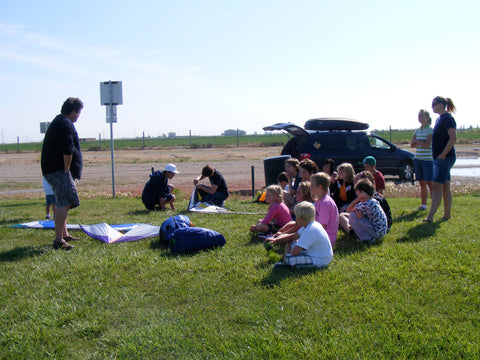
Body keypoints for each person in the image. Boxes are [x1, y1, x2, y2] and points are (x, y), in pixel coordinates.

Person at [41, 97, 84, 250]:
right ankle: (58, 240)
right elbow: (68, 149)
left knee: (62, 201)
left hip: (52, 169)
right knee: (65, 202)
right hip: (58, 170)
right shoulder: (65, 123)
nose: (79, 115)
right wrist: (66, 170)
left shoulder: (59, 121)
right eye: (79, 112)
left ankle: (64, 234)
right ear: (73, 111)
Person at [424, 96, 457, 223]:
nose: (432, 106)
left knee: (437, 187)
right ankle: (447, 215)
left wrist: (443, 154)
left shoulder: (448, 118)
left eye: (434, 104)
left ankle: (430, 216)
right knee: (445, 187)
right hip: (441, 158)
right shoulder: (439, 119)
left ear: (442, 105)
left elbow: (453, 137)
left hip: (445, 158)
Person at [271, 201, 333, 269]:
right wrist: (275, 240)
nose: (295, 219)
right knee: (290, 241)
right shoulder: (309, 225)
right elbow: (293, 236)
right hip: (313, 252)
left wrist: (289, 253)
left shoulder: (310, 230)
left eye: (296, 216)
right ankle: (286, 259)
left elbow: (295, 252)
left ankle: (286, 262)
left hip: (320, 259)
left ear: (301, 218)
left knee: (288, 259)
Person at [339, 178, 388, 242]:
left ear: (362, 193)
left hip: (377, 233)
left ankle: (367, 238)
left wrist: (358, 199)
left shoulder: (367, 204)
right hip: (380, 231)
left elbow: (349, 209)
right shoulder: (372, 201)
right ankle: (352, 230)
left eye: (358, 193)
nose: (357, 195)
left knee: (353, 215)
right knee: (343, 215)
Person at [411, 110, 434, 211]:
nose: (420, 118)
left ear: (427, 117)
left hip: (428, 160)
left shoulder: (430, 130)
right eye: (419, 116)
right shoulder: (417, 130)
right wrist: (419, 142)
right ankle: (423, 204)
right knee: (421, 183)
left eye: (422, 116)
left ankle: (434, 204)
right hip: (418, 159)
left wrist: (418, 141)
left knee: (429, 182)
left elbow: (427, 145)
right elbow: (412, 144)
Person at [310, 172, 339, 246]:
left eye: (312, 185)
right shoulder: (318, 201)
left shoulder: (325, 203)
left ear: (319, 187)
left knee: (294, 243)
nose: (310, 187)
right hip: (320, 236)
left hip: (325, 239)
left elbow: (322, 226)